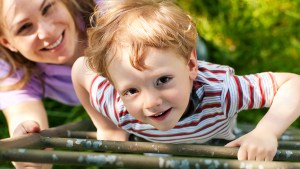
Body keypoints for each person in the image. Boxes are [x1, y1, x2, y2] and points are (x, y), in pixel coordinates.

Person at [72, 0, 300, 162]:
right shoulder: (118, 106)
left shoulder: (221, 93)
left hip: (215, 139)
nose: (150, 102)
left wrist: (267, 131)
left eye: (162, 80)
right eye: (132, 90)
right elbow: (81, 68)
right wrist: (106, 126)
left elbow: (293, 84)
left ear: (192, 65)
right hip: (158, 149)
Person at [0, 0, 96, 168]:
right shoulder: (12, 68)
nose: (47, 32)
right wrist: (28, 144)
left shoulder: (110, 11)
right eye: (24, 27)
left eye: (47, 8)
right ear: (8, 43)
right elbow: (23, 113)